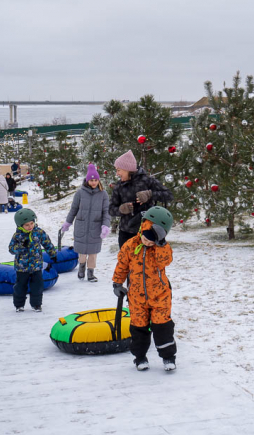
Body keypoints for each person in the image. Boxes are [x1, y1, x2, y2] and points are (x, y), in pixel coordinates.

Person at [112, 206, 177, 372]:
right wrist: (117, 283)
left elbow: (165, 261)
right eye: (146, 236)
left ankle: (168, 357)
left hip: (160, 296)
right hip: (136, 297)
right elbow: (122, 266)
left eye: (153, 239)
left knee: (162, 326)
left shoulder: (161, 249)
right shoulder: (130, 245)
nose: (148, 241)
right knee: (138, 327)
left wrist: (161, 244)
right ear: (142, 227)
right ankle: (140, 357)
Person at [108, 150, 173, 247]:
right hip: (125, 233)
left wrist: (150, 194)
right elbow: (111, 210)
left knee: (145, 262)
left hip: (148, 233)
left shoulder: (148, 181)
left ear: (127, 169)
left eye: (118, 170)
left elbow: (168, 195)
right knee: (126, 262)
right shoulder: (119, 186)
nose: (117, 174)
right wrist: (121, 209)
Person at [62, 164, 111, 283]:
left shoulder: (103, 194)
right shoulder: (80, 193)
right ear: (87, 180)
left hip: (95, 227)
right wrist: (68, 222)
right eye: (91, 180)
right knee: (82, 253)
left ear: (98, 180)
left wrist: (105, 225)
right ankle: (81, 268)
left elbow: (106, 211)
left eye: (95, 180)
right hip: (81, 226)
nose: (93, 182)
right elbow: (73, 209)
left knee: (93, 253)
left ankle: (90, 273)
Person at [8, 208, 57, 312]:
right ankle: (19, 305)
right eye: (27, 225)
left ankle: (36, 304)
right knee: (20, 286)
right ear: (20, 225)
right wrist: (21, 246)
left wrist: (52, 254)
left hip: (36, 265)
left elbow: (47, 243)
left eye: (31, 223)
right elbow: (11, 249)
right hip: (22, 267)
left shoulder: (38, 232)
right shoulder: (17, 236)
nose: (30, 226)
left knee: (37, 286)